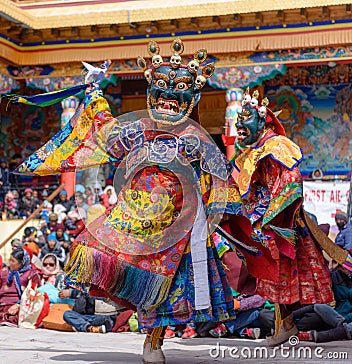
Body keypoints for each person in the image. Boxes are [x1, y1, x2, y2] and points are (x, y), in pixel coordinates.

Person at [13, 39, 238, 363]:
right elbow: (105, 133)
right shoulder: (139, 130)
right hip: (135, 212)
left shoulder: (196, 138)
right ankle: (141, 324)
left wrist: (218, 215)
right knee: (101, 251)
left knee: (168, 283)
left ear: (191, 100)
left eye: (178, 94)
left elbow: (220, 178)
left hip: (180, 220)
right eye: (161, 91)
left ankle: (153, 339)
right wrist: (94, 94)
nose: (169, 99)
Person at [227, 88, 337, 345]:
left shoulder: (277, 146)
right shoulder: (255, 150)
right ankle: (284, 325)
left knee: (281, 274)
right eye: (238, 120)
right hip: (265, 219)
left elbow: (291, 181)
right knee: (273, 276)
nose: (239, 125)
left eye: (245, 119)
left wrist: (274, 216)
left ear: (263, 121)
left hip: (282, 222)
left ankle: (286, 325)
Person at [0, 248, 40, 325]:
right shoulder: (4, 272)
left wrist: (18, 305)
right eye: (9, 260)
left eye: (13, 261)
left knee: (22, 316)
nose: (10, 263)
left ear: (22, 263)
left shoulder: (32, 274)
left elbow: (33, 294)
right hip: (1, 305)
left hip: (20, 306)